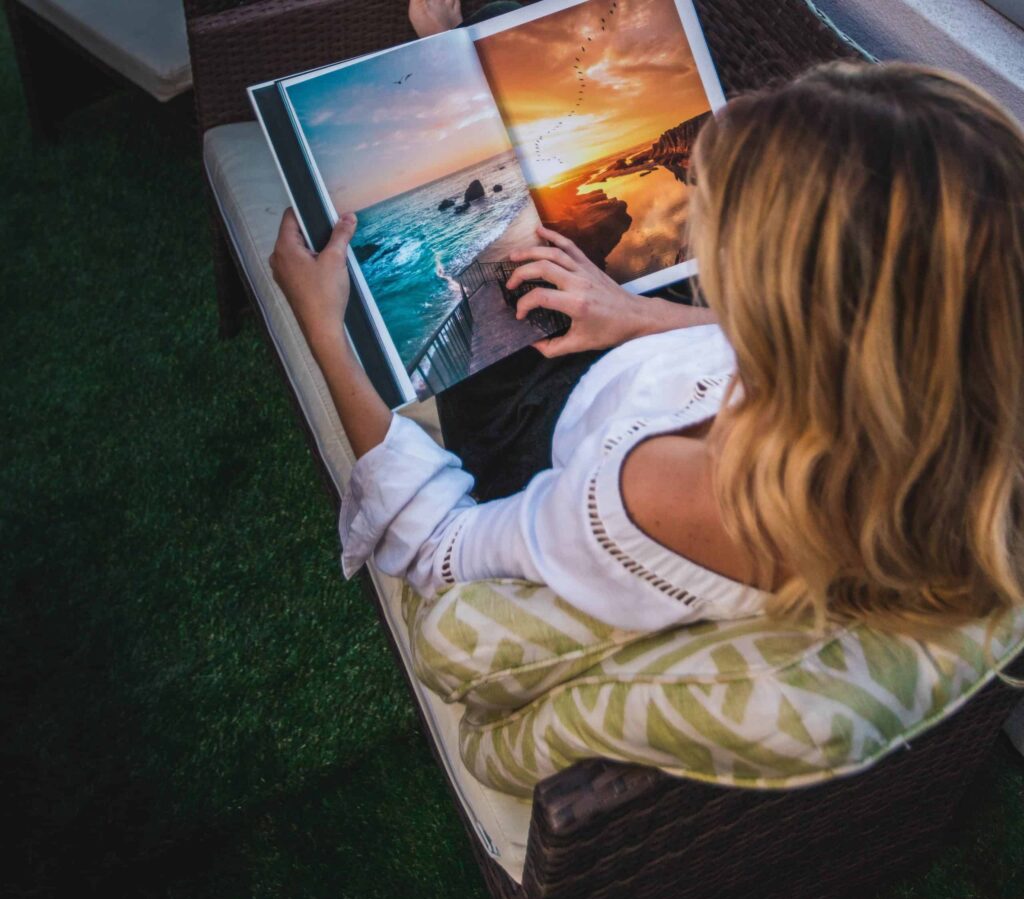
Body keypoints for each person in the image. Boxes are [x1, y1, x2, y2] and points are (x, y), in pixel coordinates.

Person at [269, 51, 1024, 636]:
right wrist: (633, 315)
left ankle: (454, 59)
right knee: (561, 253)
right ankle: (451, 46)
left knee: (506, 278)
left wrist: (324, 331)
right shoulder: (948, 406)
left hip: (542, 425)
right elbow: (799, 358)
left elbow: (439, 544)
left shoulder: (667, 490)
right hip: (645, 362)